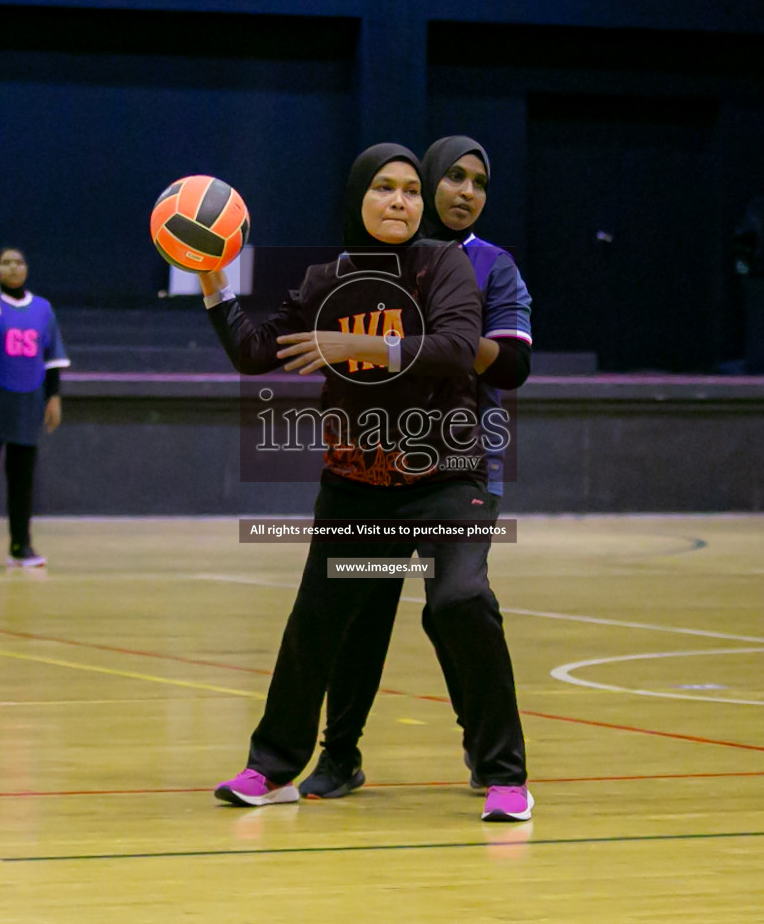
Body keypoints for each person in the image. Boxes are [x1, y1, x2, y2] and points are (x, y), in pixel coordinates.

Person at [201, 143, 533, 822]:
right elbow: (256, 351)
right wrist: (213, 283)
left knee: (461, 599)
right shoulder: (327, 279)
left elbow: (452, 347)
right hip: (355, 485)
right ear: (358, 198)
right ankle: (271, 766)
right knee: (317, 623)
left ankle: (504, 775)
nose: (401, 202)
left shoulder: (443, 265)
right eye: (384, 188)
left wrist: (354, 346)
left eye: (412, 191)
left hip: (445, 477)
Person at [298, 135, 534, 801]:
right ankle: (338, 756)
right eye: (453, 177)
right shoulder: (371, 262)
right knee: (360, 606)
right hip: (371, 472)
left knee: (454, 603)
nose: (465, 192)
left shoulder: (492, 266)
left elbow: (514, 364)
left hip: (457, 469)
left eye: (479, 182)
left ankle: (491, 759)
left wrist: (442, 345)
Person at [0, 248, 69, 570]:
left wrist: (54, 397)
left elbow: (52, 360)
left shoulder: (42, 309)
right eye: (6, 262)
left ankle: (20, 546)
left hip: (28, 401)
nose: (13, 267)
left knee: (22, 479)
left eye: (19, 262)